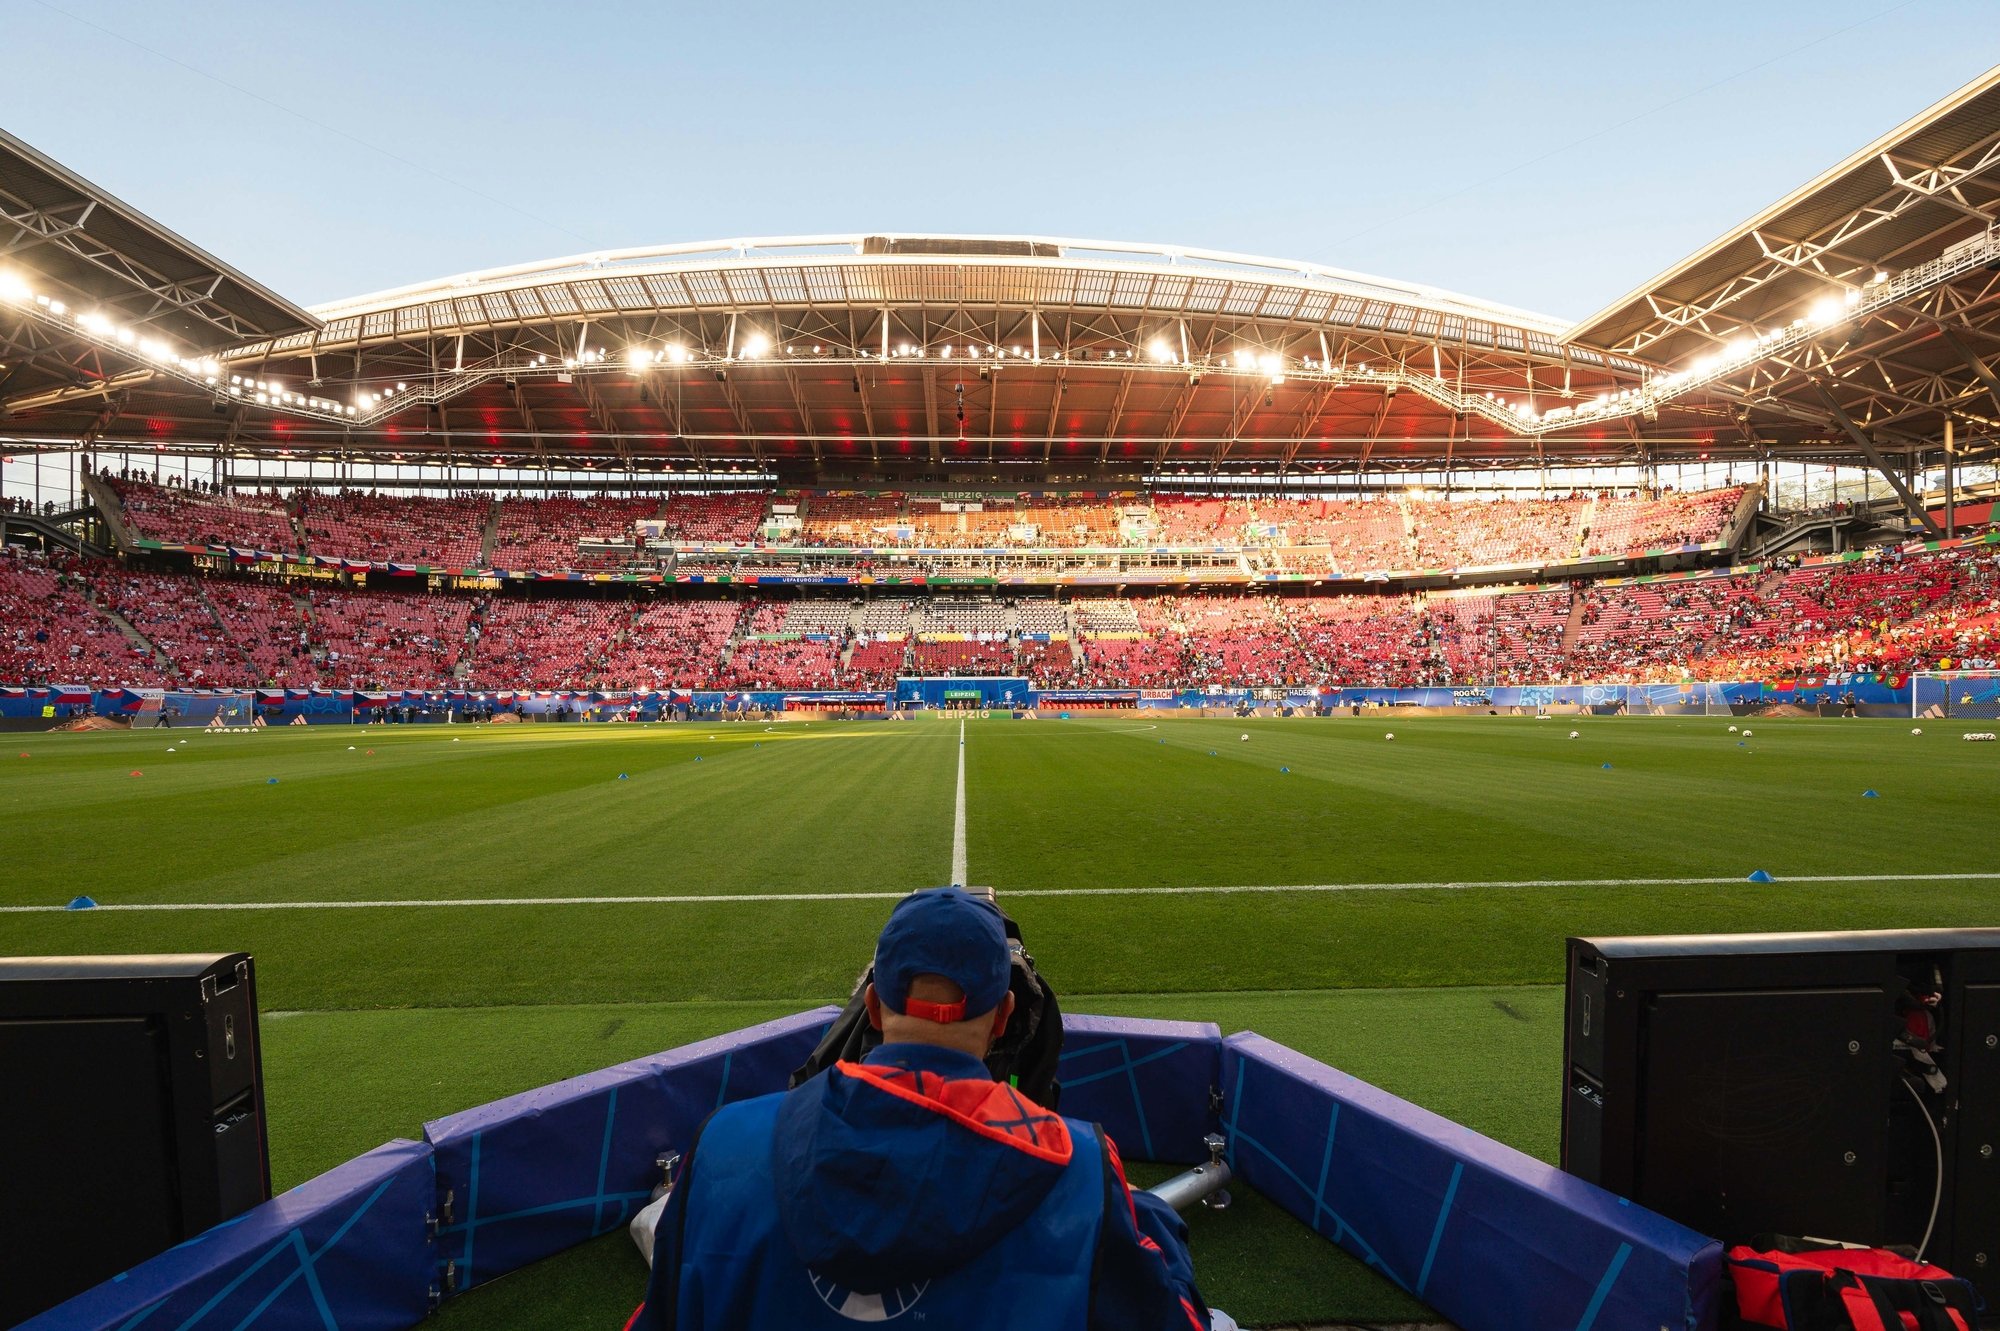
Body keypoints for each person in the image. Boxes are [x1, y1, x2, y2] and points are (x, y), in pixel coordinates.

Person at [627, 888, 1210, 1330]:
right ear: (1005, 1017)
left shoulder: (725, 1143)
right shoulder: (1078, 1167)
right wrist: (1148, 1218)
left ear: (874, 1007)